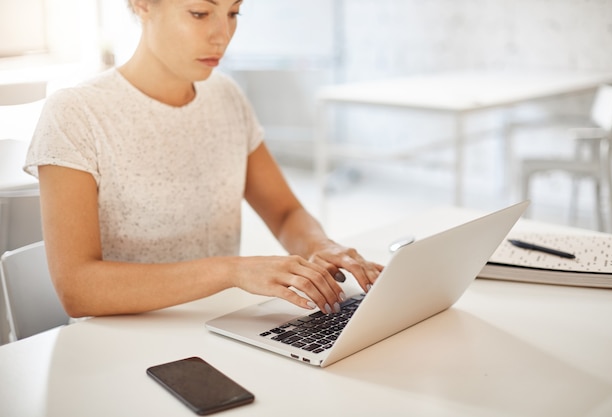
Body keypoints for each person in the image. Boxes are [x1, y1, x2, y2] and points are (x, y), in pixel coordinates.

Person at [24, 0, 383, 318]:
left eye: (233, 12)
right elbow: (77, 288)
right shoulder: (75, 112)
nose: (222, 35)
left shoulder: (226, 95)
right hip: (120, 342)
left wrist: (322, 246)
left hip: (217, 326)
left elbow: (285, 213)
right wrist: (232, 271)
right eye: (200, 13)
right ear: (143, 5)